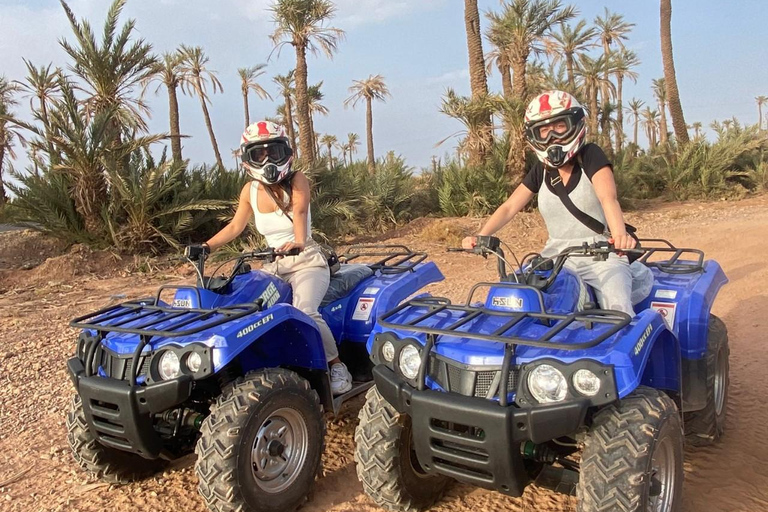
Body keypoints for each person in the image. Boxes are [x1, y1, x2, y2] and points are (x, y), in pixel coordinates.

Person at [193, 120, 352, 395]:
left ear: (285, 153)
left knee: (305, 310)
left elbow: (300, 212)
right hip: (272, 264)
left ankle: (336, 365)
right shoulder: (250, 191)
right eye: (259, 154)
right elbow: (235, 226)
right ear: (248, 159)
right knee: (245, 309)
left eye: (273, 152)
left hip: (306, 261)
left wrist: (299, 242)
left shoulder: (298, 180)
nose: (267, 160)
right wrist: (205, 247)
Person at [462, 90, 641, 315]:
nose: (551, 138)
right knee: (519, 298)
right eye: (543, 130)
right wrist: (481, 235)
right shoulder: (542, 170)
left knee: (618, 310)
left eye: (559, 126)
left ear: (575, 124)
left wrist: (619, 235)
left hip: (600, 255)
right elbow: (509, 207)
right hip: (555, 257)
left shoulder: (590, 156)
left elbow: (608, 198)